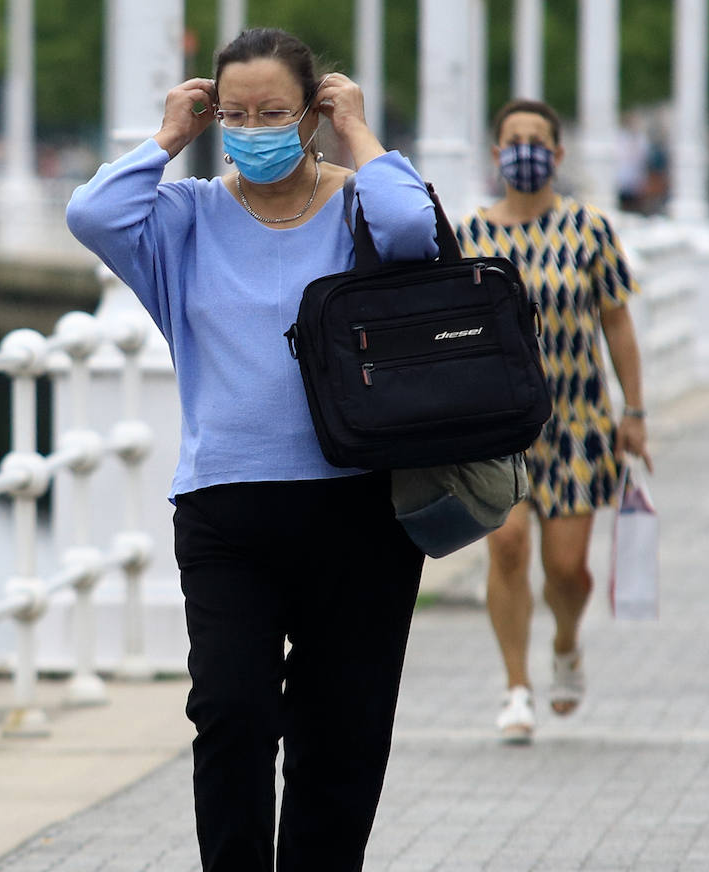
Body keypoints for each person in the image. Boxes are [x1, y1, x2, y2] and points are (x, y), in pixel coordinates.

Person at [65, 28, 439, 871]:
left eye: (273, 111)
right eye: (233, 113)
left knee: (340, 732)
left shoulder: (356, 205)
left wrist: (361, 135)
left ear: (311, 111)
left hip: (360, 509)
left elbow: (416, 231)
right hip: (225, 511)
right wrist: (166, 138)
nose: (252, 127)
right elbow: (91, 214)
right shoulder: (186, 219)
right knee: (231, 716)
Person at [456, 98, 653, 745]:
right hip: (497, 427)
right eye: (512, 139)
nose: (525, 150)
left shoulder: (589, 229)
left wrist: (635, 412)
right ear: (495, 154)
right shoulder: (468, 237)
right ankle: (516, 687)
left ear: (558, 154)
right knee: (508, 548)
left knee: (568, 570)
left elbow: (617, 322)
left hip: (576, 422)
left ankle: (566, 643)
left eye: (537, 139)